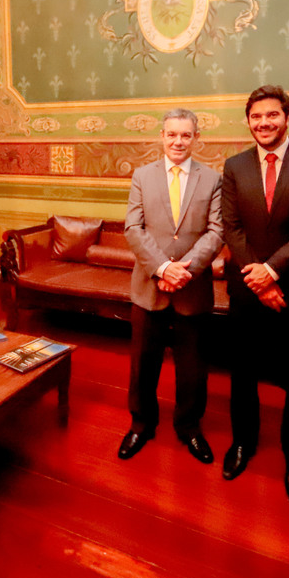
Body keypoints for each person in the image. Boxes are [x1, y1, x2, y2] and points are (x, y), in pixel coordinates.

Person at [220, 85, 289, 504]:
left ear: (287, 117)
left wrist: (271, 273)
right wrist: (257, 278)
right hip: (247, 288)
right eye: (256, 116)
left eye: (271, 115)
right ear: (248, 121)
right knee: (242, 373)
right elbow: (231, 227)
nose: (263, 123)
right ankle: (242, 443)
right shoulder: (234, 166)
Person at [119, 108, 223, 464]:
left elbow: (217, 231)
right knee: (142, 365)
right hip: (149, 286)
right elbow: (133, 228)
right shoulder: (142, 176)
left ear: (196, 138)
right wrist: (163, 268)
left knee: (193, 368)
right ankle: (141, 424)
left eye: (186, 135)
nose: (178, 141)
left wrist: (183, 271)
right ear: (162, 136)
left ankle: (189, 427)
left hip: (192, 289)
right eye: (172, 134)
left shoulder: (213, 179)